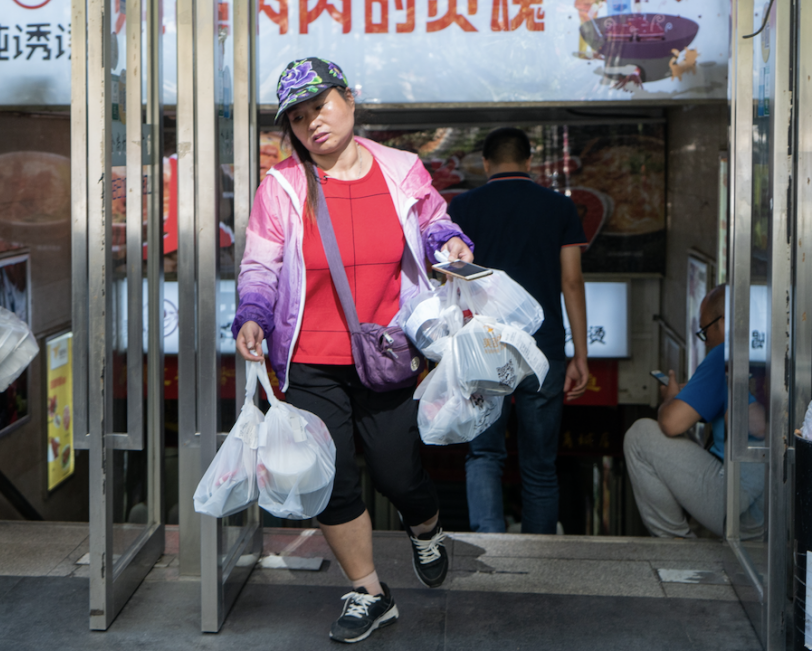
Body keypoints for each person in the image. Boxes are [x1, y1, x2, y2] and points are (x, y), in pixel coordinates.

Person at [232, 58, 474, 644]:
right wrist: (252, 315)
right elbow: (261, 265)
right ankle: (370, 591)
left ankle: (426, 524)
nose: (312, 123)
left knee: (396, 468)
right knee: (332, 479)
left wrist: (455, 246)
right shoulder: (282, 186)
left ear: (350, 100)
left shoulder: (400, 168)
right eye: (298, 117)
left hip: (386, 350)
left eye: (321, 106)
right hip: (309, 358)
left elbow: (435, 224)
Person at [446, 127, 590, 534]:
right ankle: (539, 557)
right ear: (530, 162)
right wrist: (580, 353)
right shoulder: (559, 208)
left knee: (484, 454)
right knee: (541, 464)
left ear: (486, 164)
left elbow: (451, 280)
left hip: (482, 349)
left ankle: (491, 544)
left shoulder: (463, 207)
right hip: (542, 351)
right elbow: (572, 282)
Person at [624, 285, 766, 539]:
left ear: (722, 324)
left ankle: (677, 546)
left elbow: (672, 423)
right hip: (769, 505)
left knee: (639, 436)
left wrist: (669, 399)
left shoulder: (724, 354)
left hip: (738, 504)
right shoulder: (766, 349)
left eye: (704, 331)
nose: (707, 341)